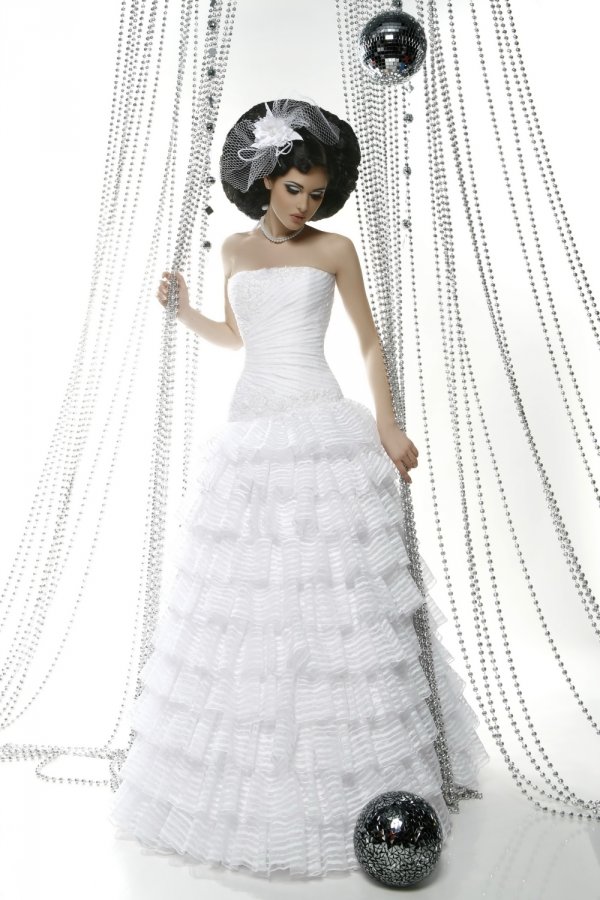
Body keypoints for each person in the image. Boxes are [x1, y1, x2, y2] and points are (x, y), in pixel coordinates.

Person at [108, 97, 488, 878]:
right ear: (263, 180)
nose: (305, 205)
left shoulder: (336, 249)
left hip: (320, 421)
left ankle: (350, 772)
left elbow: (370, 343)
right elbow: (235, 337)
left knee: (334, 600)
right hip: (251, 427)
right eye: (293, 190)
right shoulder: (232, 250)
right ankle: (257, 775)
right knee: (250, 601)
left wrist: (388, 426)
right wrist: (183, 313)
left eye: (316, 193)